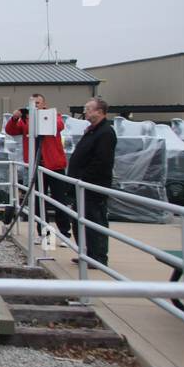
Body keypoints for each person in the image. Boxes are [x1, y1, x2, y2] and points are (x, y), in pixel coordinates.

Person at [4, 93, 71, 239]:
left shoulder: (53, 115)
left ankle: (64, 233)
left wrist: (43, 116)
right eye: (33, 103)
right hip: (36, 166)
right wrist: (15, 117)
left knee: (59, 200)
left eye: (38, 103)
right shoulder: (26, 120)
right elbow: (11, 130)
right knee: (38, 201)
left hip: (54, 165)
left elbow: (59, 125)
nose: (35, 106)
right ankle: (44, 233)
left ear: (44, 104)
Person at [67, 96, 117, 266]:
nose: (85, 112)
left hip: (93, 187)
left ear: (99, 112)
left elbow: (102, 161)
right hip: (81, 186)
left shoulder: (106, 133)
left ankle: (98, 257)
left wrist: (83, 178)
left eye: (89, 109)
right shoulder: (92, 130)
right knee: (81, 220)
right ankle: (86, 253)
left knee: (95, 220)